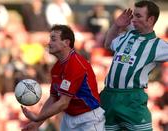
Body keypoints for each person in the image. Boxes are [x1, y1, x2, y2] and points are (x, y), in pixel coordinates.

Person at [21, 24, 105, 131]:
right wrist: (37, 123)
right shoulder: (56, 68)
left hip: (88, 118)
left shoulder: (76, 65)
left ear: (66, 42)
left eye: (53, 39)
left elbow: (63, 103)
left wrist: (38, 117)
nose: (49, 43)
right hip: (69, 118)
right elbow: (53, 98)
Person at [100, 1, 168, 131]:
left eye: (138, 16)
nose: (133, 20)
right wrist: (116, 26)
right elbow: (108, 45)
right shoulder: (126, 36)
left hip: (132, 99)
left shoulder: (158, 45)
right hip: (108, 96)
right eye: (134, 16)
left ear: (151, 19)